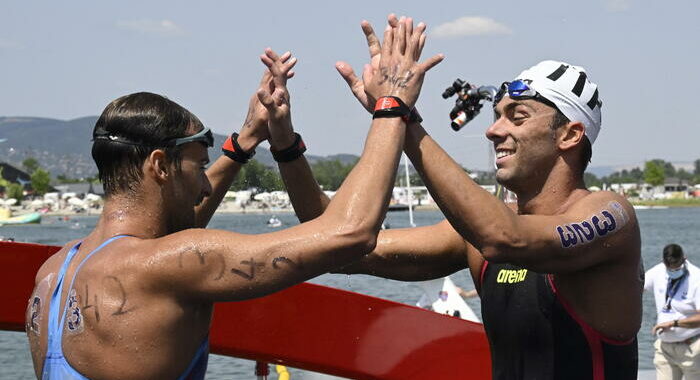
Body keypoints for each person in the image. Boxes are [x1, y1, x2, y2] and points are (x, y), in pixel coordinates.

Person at [25, 21, 440, 379]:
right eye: (197, 168)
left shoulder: (54, 272)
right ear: (159, 165)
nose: (206, 187)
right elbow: (350, 233)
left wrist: (246, 140)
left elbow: (169, 233)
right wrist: (392, 106)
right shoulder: (171, 263)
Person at [279, 14, 642, 379]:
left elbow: (506, 237)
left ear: (569, 135)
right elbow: (334, 241)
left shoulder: (612, 217)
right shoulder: (477, 236)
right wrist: (285, 146)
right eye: (497, 115)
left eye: (517, 116)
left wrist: (400, 114)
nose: (492, 130)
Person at [645, 244, 700, 379]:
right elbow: (636, 287)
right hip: (665, 348)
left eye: (677, 266)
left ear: (684, 259)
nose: (674, 270)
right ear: (663, 262)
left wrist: (673, 323)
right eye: (670, 267)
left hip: (693, 348)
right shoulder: (658, 271)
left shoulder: (696, 278)